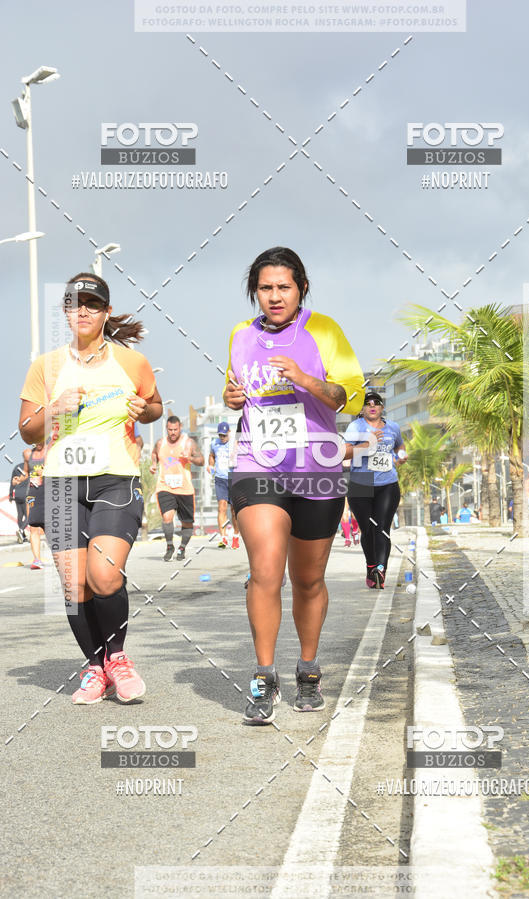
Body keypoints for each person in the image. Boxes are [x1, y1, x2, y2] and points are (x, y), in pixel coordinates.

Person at [224, 246, 364, 725]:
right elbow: (235, 389)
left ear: (301, 288)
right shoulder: (240, 335)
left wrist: (306, 379)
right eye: (266, 288)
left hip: (316, 466)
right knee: (265, 570)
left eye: (284, 286)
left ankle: (308, 670)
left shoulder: (323, 330)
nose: (275, 296)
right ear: (255, 292)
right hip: (257, 464)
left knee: (308, 579)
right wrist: (231, 397)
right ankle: (264, 678)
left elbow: (349, 397)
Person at [18, 272, 162, 704]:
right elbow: (27, 431)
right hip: (61, 483)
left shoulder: (131, 362)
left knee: (103, 575)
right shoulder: (46, 366)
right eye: (74, 303)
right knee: (74, 586)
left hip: (115, 478)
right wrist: (54, 409)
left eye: (92, 304)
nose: (83, 310)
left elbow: (154, 406)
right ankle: (96, 667)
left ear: (106, 311)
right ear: (65, 311)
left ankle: (118, 657)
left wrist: (144, 410)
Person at [344, 391, 406, 589]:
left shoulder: (393, 427)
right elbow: (344, 453)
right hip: (361, 482)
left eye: (376, 402)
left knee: (382, 529)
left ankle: (380, 570)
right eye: (368, 403)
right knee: (368, 529)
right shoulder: (356, 427)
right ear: (362, 408)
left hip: (387, 483)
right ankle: (371, 565)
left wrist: (402, 455)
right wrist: (367, 444)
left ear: (382, 407)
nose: (372, 405)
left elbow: (400, 446)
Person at [150, 415, 204, 561]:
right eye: (170, 430)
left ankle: (182, 548)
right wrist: (154, 464)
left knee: (187, 523)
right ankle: (169, 546)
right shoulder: (160, 443)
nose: (173, 432)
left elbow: (201, 460)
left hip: (184, 488)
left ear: (180, 427)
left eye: (175, 429)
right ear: (166, 429)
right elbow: (154, 453)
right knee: (167, 517)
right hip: (165, 486)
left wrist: (189, 458)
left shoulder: (189, 443)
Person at [208, 421, 240, 549]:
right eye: (220, 435)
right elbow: (211, 456)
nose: (222, 437)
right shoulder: (214, 443)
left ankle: (236, 536)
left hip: (233, 478)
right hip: (220, 478)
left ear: (229, 433)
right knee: (221, 507)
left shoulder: (235, 443)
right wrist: (210, 466)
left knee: (234, 510)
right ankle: (223, 538)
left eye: (224, 435)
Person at [23, 442, 47, 569]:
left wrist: (45, 472)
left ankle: (61, 555)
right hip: (32, 493)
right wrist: (19, 479)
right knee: (32, 526)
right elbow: (25, 473)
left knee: (50, 526)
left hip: (48, 493)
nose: (38, 442)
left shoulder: (51, 451)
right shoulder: (28, 454)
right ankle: (37, 559)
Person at [9, 460, 29, 544]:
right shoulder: (31, 468)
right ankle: (21, 530)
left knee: (20, 515)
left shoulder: (16, 467)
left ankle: (23, 536)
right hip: (27, 495)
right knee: (29, 516)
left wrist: (10, 495)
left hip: (17, 494)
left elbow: (12, 482)